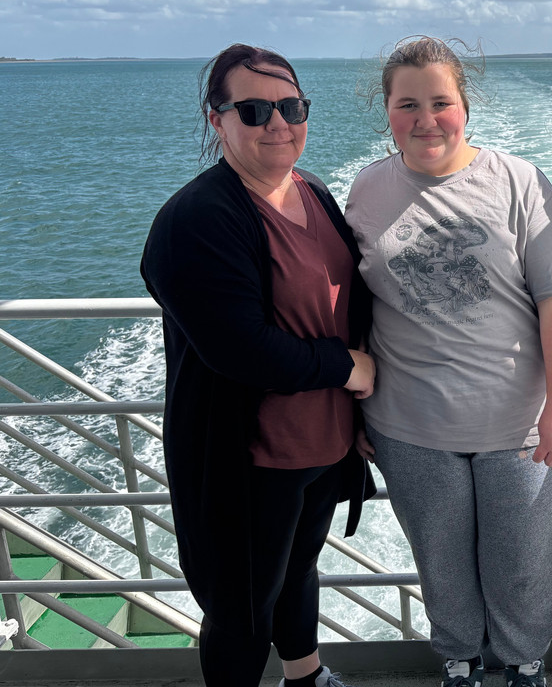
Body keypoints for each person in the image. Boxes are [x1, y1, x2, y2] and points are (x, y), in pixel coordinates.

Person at [343, 36, 552, 687]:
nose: (426, 119)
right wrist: (350, 410)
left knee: (523, 564)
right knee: (442, 563)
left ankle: (524, 663)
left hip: (519, 425)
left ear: (465, 106)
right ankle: (459, 660)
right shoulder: (367, 190)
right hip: (408, 424)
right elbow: (356, 303)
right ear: (387, 111)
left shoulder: (518, 181)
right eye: (408, 105)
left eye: (440, 102)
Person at [141, 44, 377, 687]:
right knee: (240, 609)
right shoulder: (196, 220)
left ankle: (306, 675)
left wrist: (361, 414)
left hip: (324, 445)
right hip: (251, 459)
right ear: (216, 120)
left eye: (291, 107)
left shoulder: (313, 191)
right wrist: (345, 367)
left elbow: (344, 302)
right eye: (253, 110)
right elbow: (237, 347)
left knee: (299, 570)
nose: (277, 123)